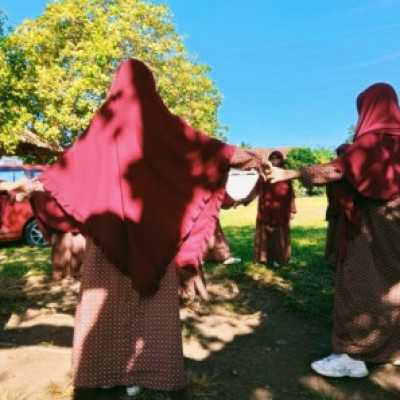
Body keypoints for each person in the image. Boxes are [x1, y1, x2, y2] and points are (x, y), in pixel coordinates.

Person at [8, 58, 270, 396]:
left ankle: (102, 371)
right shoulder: (167, 125)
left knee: (103, 303)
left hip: (108, 240)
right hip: (154, 237)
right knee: (150, 305)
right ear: (151, 85)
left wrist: (29, 187)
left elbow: (69, 171)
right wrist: (255, 158)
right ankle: (146, 373)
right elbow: (210, 153)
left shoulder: (104, 125)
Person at [267, 82, 400, 378]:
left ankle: (351, 356)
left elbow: (337, 170)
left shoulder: (372, 143)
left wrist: (292, 172)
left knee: (358, 283)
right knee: (395, 285)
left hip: (367, 229)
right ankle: (392, 349)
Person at [254, 150, 296, 267]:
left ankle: (280, 258)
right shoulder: (264, 174)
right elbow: (257, 190)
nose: (275, 161)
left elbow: (291, 193)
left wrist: (292, 210)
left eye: (277, 158)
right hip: (265, 209)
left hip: (280, 210)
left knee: (279, 234)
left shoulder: (285, 174)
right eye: (272, 159)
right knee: (265, 232)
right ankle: (263, 257)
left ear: (281, 160)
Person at [324, 143, 350, 263]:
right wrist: (331, 203)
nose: (341, 156)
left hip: (351, 207)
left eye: (344, 153)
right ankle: (334, 257)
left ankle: (347, 258)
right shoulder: (333, 168)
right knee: (335, 232)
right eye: (339, 154)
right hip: (336, 206)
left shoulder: (356, 169)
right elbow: (329, 189)